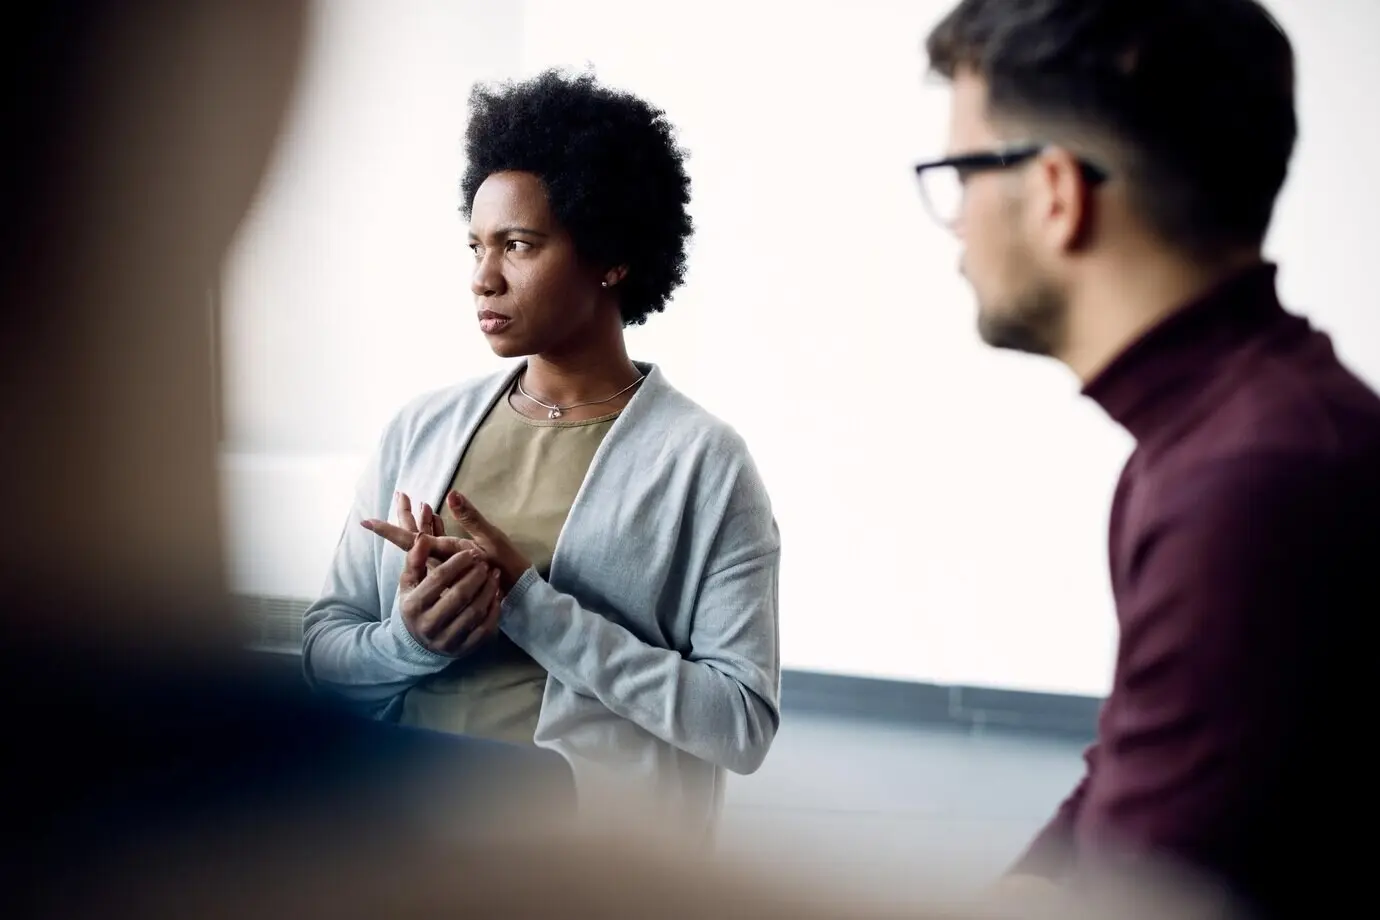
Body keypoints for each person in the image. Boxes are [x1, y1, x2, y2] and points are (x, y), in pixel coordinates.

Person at [916, 0, 1379, 916]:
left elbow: (1138, 895)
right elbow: (1124, 766)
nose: (958, 224)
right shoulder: (1229, 432)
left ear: (1055, 191)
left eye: (960, 173)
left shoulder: (1250, 481)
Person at [300, 69, 782, 835]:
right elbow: (326, 654)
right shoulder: (420, 430)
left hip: (577, 863)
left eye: (518, 245)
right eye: (476, 246)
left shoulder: (703, 463)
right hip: (399, 830)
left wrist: (532, 607)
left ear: (611, 256)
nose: (482, 278)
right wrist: (409, 641)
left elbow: (740, 726)